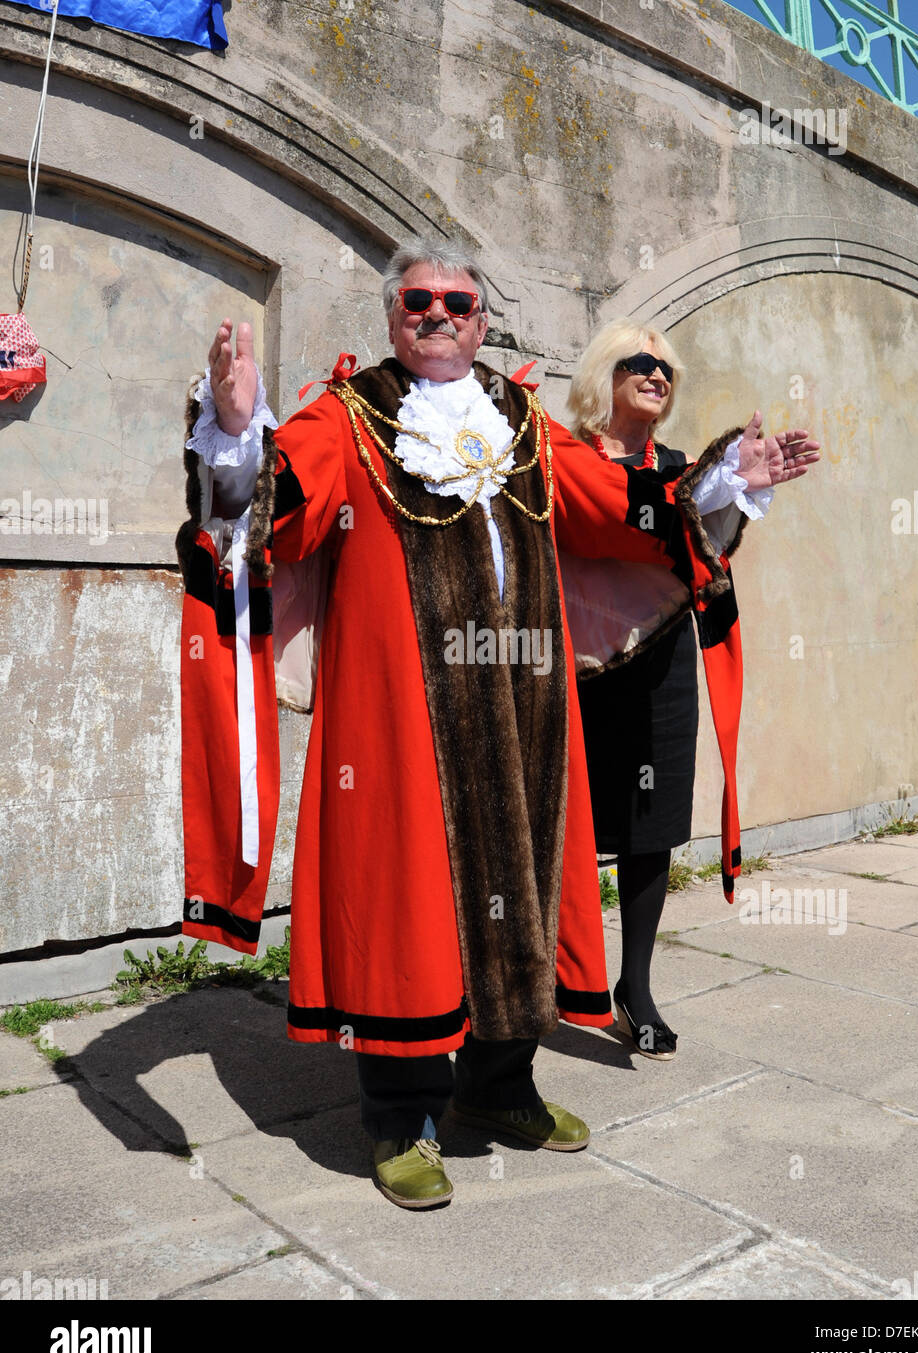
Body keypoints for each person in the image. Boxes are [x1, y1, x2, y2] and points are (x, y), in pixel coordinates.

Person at [176, 242, 735, 1209]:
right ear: (394, 314)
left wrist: (723, 487)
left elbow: (611, 506)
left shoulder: (521, 420)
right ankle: (401, 1115)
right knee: (407, 901)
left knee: (519, 888)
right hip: (400, 722)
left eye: (460, 302)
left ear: (484, 320)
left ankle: (501, 1083)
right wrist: (235, 431)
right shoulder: (347, 417)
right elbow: (275, 516)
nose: (440, 315)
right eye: (420, 300)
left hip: (524, 713)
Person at [561, 318, 818, 1057]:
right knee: (564, 829)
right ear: (601, 375)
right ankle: (556, 974)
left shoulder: (681, 466)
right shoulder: (566, 460)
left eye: (667, 367)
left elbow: (706, 537)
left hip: (661, 668)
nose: (657, 374)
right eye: (640, 362)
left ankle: (634, 988)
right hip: (575, 670)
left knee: (652, 827)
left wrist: (738, 486)